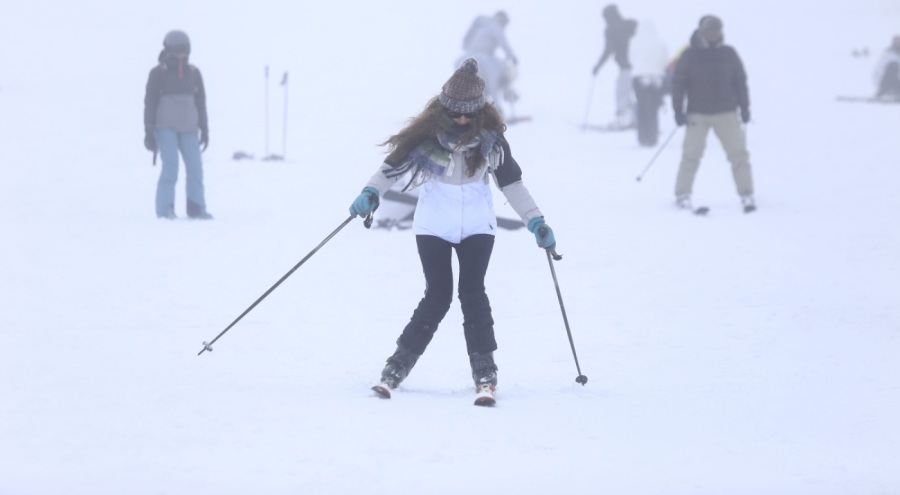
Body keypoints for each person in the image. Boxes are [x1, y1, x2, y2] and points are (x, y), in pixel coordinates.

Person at [348, 59, 556, 404]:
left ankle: (485, 371)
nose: (462, 121)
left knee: (473, 294)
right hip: (433, 226)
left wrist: (536, 220)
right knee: (438, 295)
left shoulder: (492, 142)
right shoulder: (426, 138)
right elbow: (390, 169)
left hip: (477, 226)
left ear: (479, 113)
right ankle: (396, 366)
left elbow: (512, 185)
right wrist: (370, 194)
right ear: (445, 110)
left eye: (469, 116)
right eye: (456, 114)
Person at [671, 15, 756, 213]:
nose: (712, 35)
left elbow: (740, 82)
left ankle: (747, 194)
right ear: (701, 31)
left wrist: (745, 108)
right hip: (697, 114)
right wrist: (678, 110)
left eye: (716, 31)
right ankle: (682, 194)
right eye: (709, 31)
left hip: (726, 112)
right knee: (691, 155)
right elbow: (678, 84)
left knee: (739, 155)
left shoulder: (729, 54)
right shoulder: (689, 55)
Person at [143, 30, 213, 220]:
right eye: (178, 50)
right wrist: (149, 131)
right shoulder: (158, 74)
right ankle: (165, 209)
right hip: (165, 128)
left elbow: (200, 102)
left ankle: (196, 208)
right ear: (169, 50)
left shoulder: (194, 73)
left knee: (195, 169)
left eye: (184, 50)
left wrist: (204, 129)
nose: (181, 54)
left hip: (189, 128)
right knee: (170, 167)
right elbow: (150, 103)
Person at [458, 11, 519, 117]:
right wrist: (512, 56)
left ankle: (479, 112)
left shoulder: (484, 26)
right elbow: (503, 42)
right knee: (493, 80)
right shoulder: (495, 26)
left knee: (480, 88)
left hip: (468, 59)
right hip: (482, 59)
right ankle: (499, 107)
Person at [591, 4, 638, 127]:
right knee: (636, 93)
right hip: (639, 66)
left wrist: (598, 66)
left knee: (622, 92)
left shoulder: (611, 30)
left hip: (627, 67)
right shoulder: (631, 24)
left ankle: (624, 119)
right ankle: (638, 119)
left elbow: (608, 50)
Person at [629, 20, 669, 146]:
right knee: (653, 108)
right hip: (657, 79)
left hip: (639, 78)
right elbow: (665, 60)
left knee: (642, 108)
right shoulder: (660, 42)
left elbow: (631, 59)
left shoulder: (634, 41)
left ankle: (643, 137)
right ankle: (652, 137)